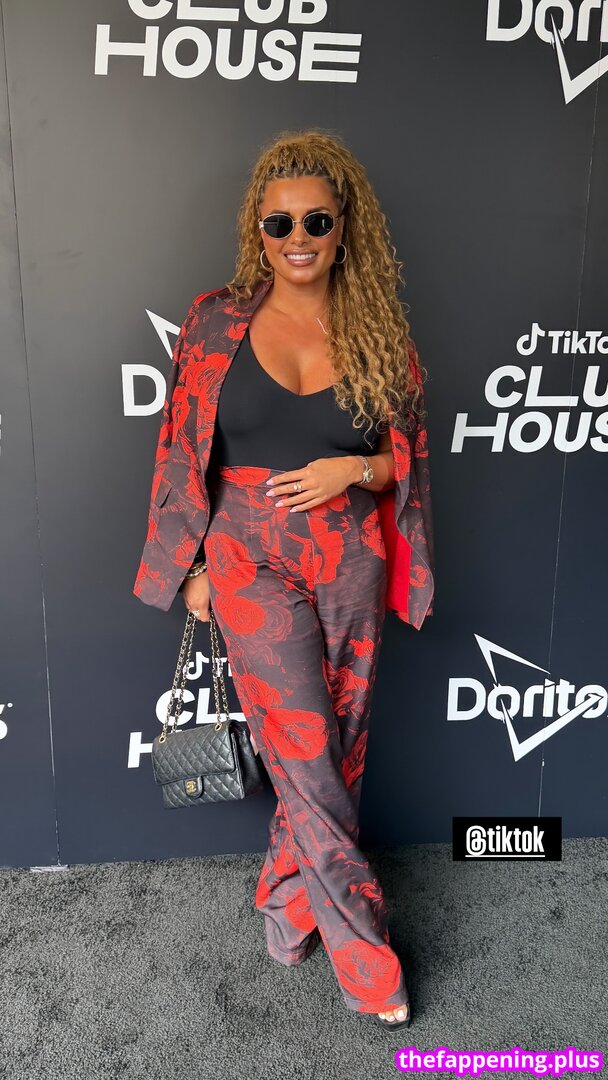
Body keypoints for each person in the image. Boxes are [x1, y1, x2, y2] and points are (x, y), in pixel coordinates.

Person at [133, 128, 435, 1029]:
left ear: (344, 227)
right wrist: (193, 563)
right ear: (258, 231)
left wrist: (355, 471)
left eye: (316, 220)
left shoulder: (379, 331)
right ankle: (367, 959)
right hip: (247, 555)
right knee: (304, 752)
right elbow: (181, 448)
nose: (297, 237)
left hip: (349, 551)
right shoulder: (214, 320)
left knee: (337, 746)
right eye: (279, 222)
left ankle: (283, 901)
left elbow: (406, 460)